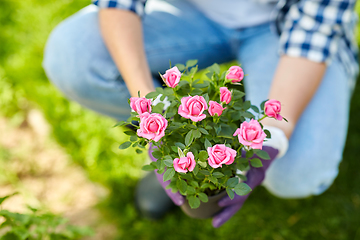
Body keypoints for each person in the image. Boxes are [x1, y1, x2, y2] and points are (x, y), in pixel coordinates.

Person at [43, 0, 358, 228]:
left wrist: (273, 135)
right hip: (191, 10)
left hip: (286, 20)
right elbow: (119, 4)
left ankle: (234, 138)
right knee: (74, 57)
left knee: (295, 174)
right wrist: (155, 114)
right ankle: (186, 155)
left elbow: (313, 32)